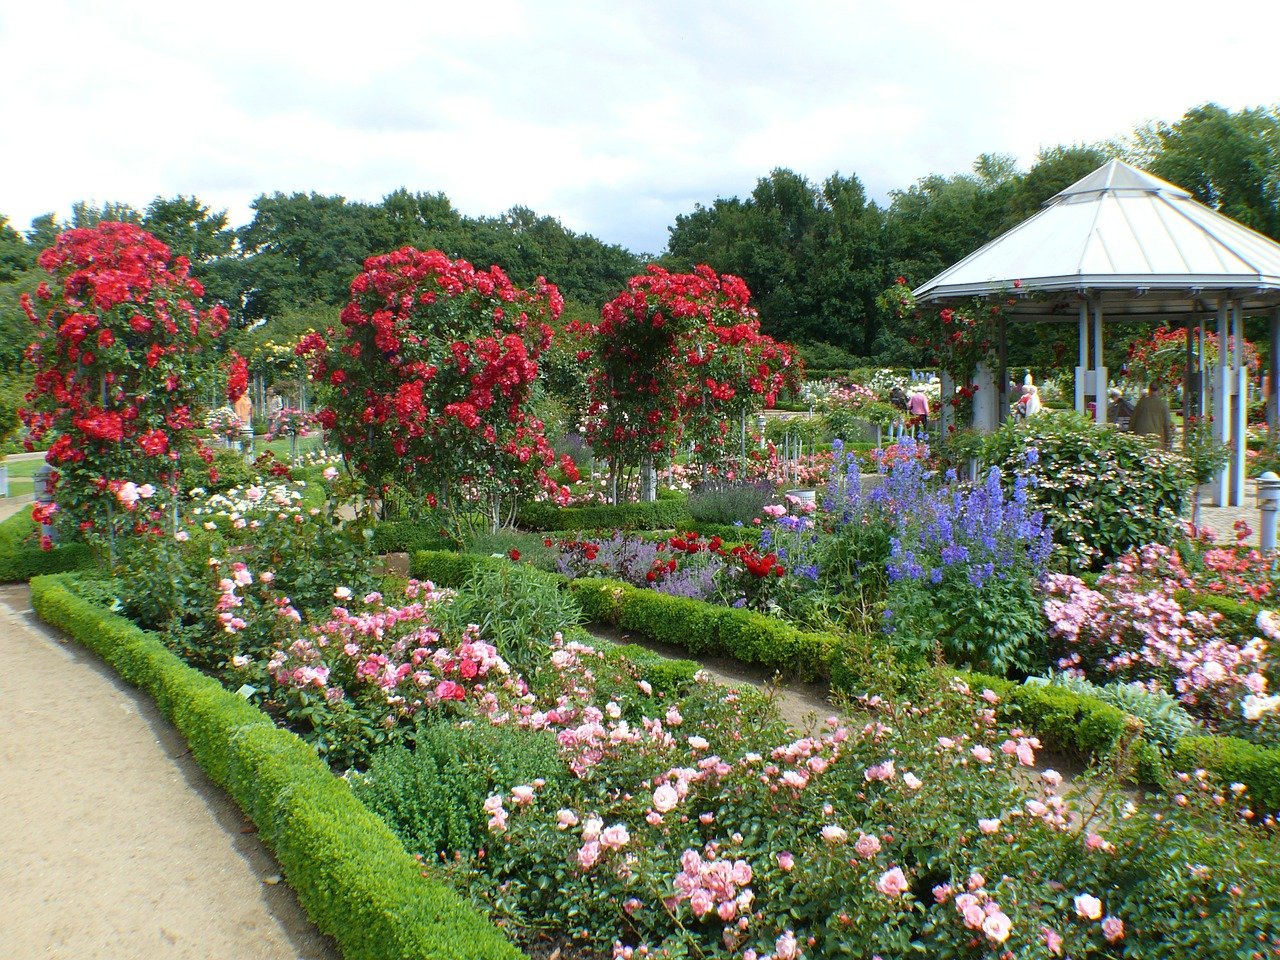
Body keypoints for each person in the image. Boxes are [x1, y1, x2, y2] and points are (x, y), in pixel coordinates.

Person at [1130, 382, 1175, 449]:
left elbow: (1133, 419)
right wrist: (1168, 440)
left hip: (1141, 436)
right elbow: (1166, 423)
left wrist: (1130, 434)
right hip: (1157, 437)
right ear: (1159, 391)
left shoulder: (1141, 403)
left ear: (1149, 390)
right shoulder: (1163, 404)